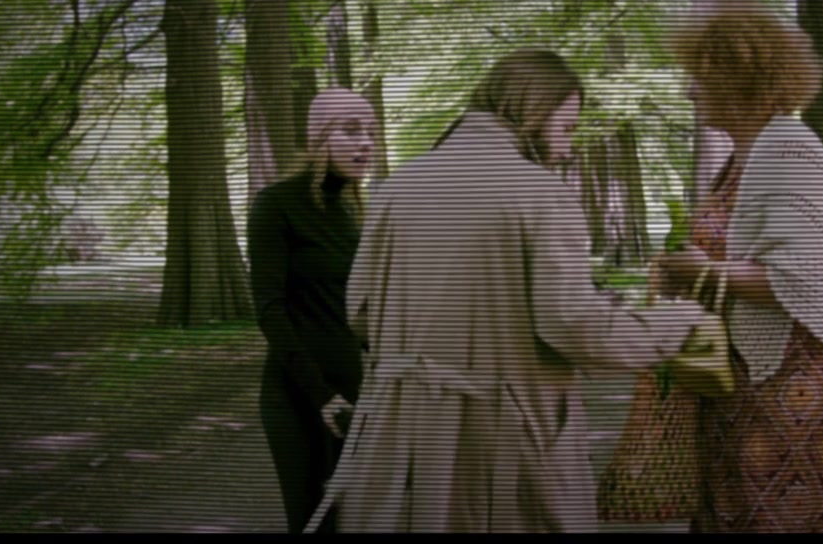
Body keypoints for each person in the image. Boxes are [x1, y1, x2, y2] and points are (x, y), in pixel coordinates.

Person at [323, 48, 707, 533]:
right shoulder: (541, 194)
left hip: (408, 436)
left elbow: (360, 313)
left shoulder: (397, 188)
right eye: (565, 128)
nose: (566, 148)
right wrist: (680, 322)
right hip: (507, 439)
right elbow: (575, 326)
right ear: (533, 110)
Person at [655, 1, 823, 532]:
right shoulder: (737, 161)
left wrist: (700, 272)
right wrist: (683, 274)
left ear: (740, 77)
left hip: (797, 390)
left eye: (700, 76)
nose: (689, 91)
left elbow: (796, 279)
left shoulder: (790, 148)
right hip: (741, 389)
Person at [246, 87, 378, 533]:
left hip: (353, 394)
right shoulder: (275, 204)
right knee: (314, 523)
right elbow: (270, 309)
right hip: (299, 398)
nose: (366, 142)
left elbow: (358, 311)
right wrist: (321, 395)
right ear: (320, 137)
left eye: (371, 132)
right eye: (351, 130)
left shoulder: (352, 214)